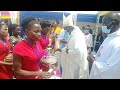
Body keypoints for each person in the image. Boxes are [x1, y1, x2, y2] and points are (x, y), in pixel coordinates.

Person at [57, 14, 89, 79]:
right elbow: (69, 46)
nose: (66, 31)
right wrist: (62, 50)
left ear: (70, 27)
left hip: (75, 64)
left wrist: (68, 51)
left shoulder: (77, 35)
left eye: (66, 29)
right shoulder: (72, 34)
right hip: (70, 61)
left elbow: (79, 51)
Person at [89, 12, 120, 79]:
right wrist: (95, 57)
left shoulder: (118, 43)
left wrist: (93, 63)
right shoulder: (109, 37)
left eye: (105, 23)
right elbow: (104, 55)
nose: (103, 26)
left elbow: (112, 70)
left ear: (113, 23)